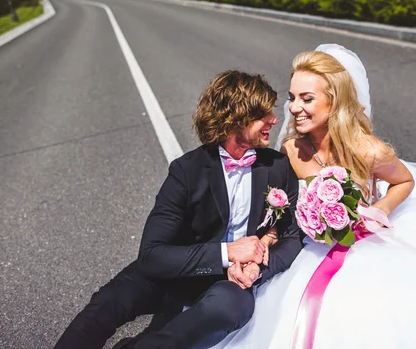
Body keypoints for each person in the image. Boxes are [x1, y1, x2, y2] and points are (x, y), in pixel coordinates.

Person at [211, 45, 416, 348]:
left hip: (364, 244)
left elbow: (404, 181)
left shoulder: (367, 150)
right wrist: (267, 239)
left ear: (334, 102)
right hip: (309, 248)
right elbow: (282, 204)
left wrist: (379, 209)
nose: (294, 108)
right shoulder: (291, 150)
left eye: (307, 99)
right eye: (292, 98)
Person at [54, 70, 303, 349]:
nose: (274, 119)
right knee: (108, 301)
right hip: (184, 265)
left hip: (231, 283)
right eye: (262, 115)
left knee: (229, 309)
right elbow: (151, 255)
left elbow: (292, 236)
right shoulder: (187, 171)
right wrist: (228, 252)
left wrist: (257, 268)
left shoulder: (277, 167)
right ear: (235, 119)